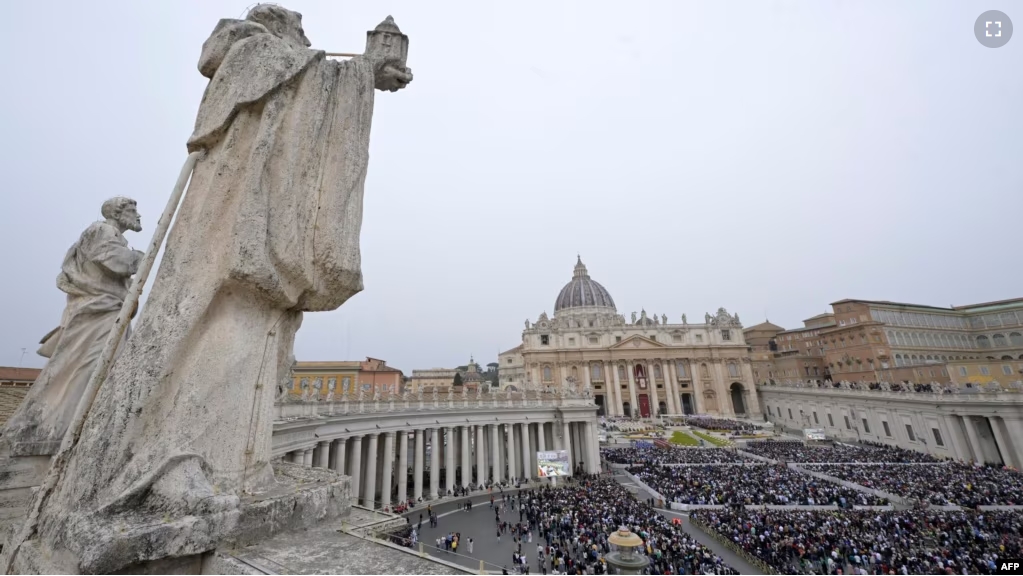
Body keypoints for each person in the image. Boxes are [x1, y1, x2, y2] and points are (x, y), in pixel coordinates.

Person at [3, 197, 144, 456]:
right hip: (97, 314)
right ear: (117, 212)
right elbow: (115, 261)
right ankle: (53, 430)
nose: (139, 216)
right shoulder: (101, 231)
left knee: (103, 369)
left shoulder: (112, 235)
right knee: (85, 368)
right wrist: (141, 258)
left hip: (108, 313)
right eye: (133, 210)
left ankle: (82, 427)